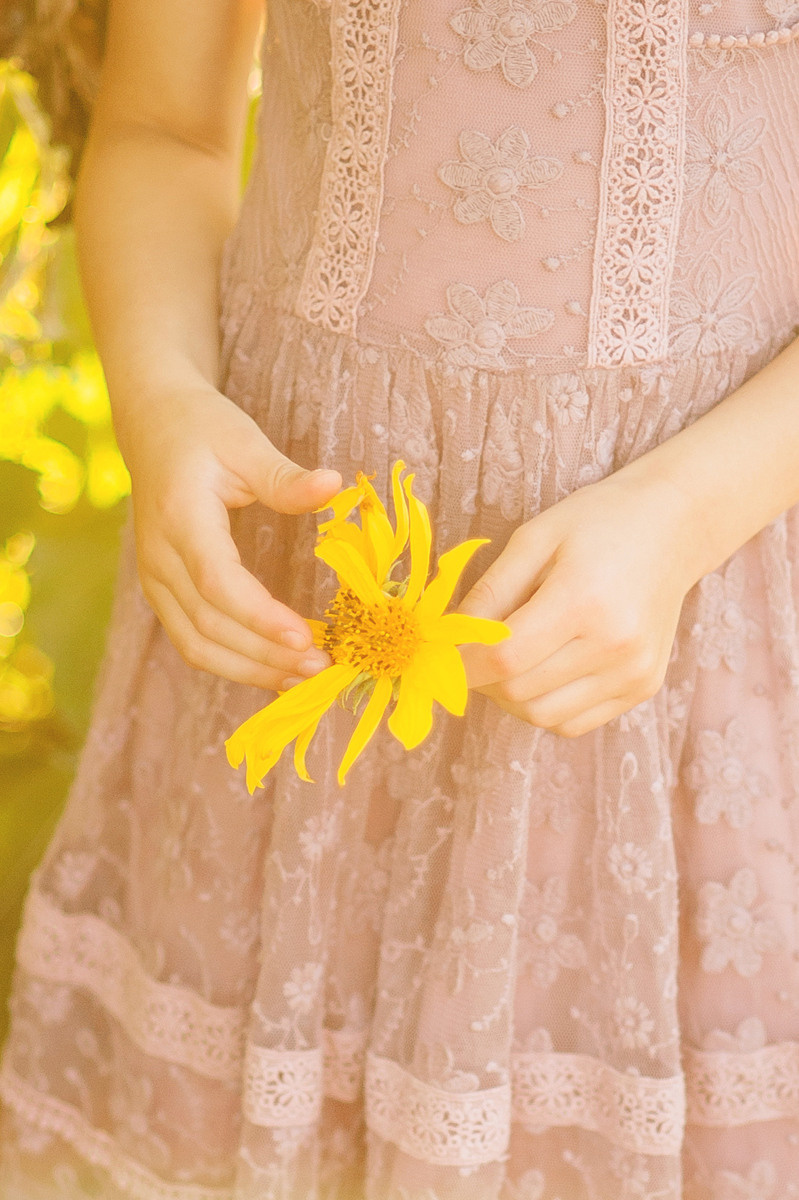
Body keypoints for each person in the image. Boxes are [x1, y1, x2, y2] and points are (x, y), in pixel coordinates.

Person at [2, 0, 799, 1196]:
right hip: (292, 613)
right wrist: (163, 404)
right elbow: (166, 128)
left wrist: (686, 515)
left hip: (692, 608)